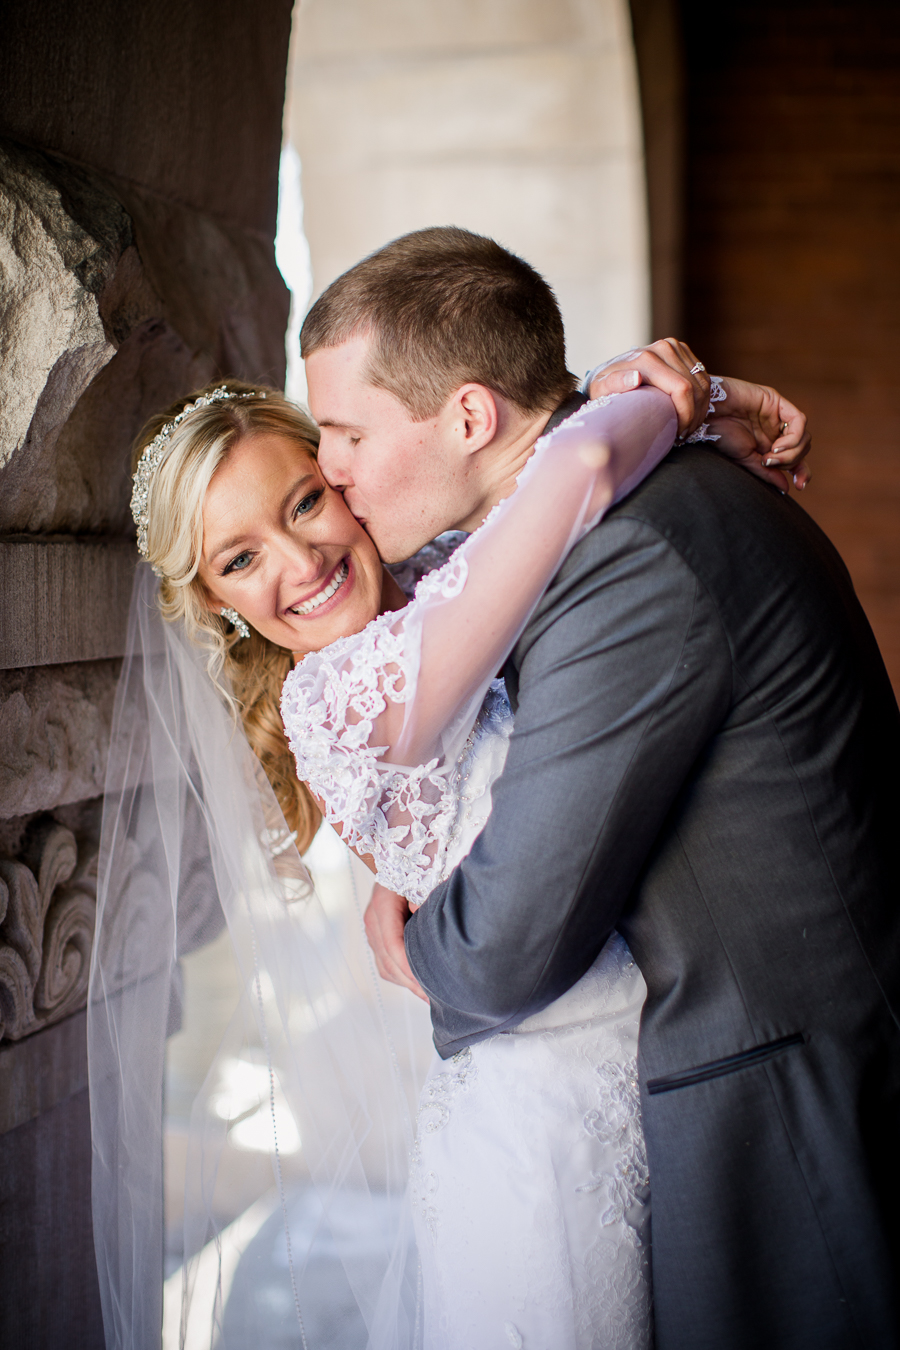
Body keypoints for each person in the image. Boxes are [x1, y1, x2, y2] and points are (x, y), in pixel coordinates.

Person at [299, 226, 900, 1349]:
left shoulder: (628, 555)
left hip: (787, 1114)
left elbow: (505, 949)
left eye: (346, 433)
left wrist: (408, 938)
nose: (326, 472)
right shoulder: (628, 501)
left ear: (471, 418)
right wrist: (682, 390)